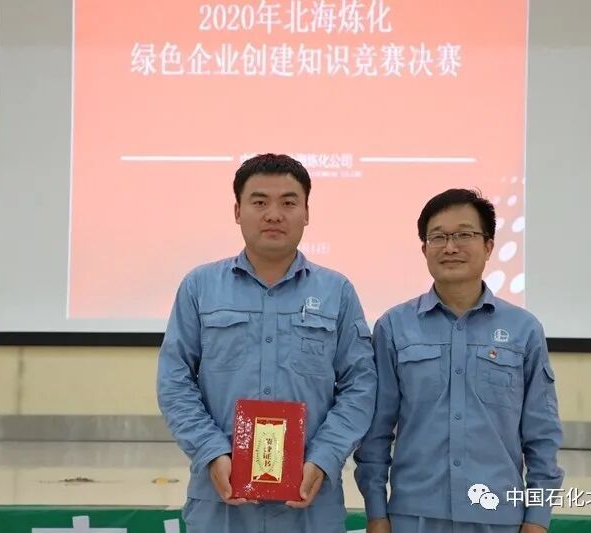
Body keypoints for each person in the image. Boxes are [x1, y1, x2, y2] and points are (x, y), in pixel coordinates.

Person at [158, 153, 377, 533]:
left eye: (288, 203)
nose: (274, 215)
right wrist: (211, 450)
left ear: (306, 213)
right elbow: (174, 381)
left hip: (310, 502)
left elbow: (361, 384)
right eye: (259, 202)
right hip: (221, 501)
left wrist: (325, 456)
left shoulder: (337, 291)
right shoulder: (199, 287)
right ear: (237, 211)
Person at [354, 188, 563, 533]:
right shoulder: (394, 327)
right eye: (438, 237)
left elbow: (542, 435)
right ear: (425, 250)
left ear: (488, 246)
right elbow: (376, 432)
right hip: (413, 518)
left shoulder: (524, 329)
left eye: (464, 235)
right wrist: (376, 512)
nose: (450, 247)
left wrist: (537, 518)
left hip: (498, 517)